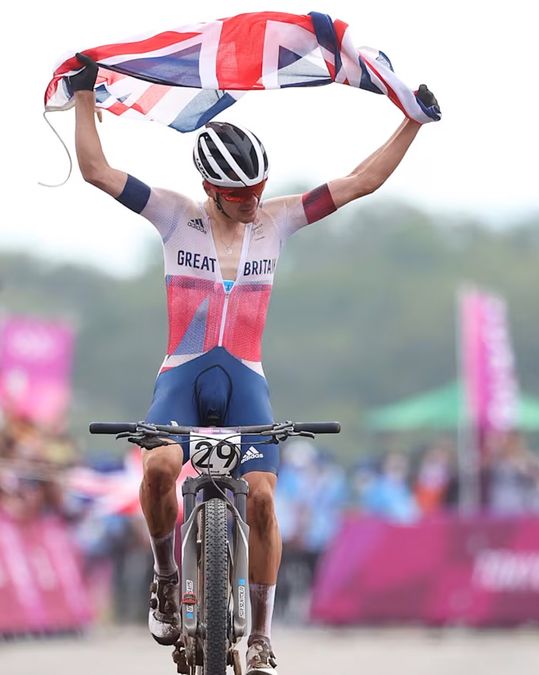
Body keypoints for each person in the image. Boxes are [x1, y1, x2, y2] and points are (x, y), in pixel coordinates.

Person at [68, 53, 438, 673]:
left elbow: (360, 182)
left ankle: (261, 633)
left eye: (258, 190)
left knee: (263, 498)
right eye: (239, 194)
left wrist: (413, 122)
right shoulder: (172, 214)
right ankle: (165, 576)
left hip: (246, 380)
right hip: (182, 375)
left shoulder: (278, 220)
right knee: (160, 466)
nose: (252, 201)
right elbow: (96, 170)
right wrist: (84, 97)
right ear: (211, 188)